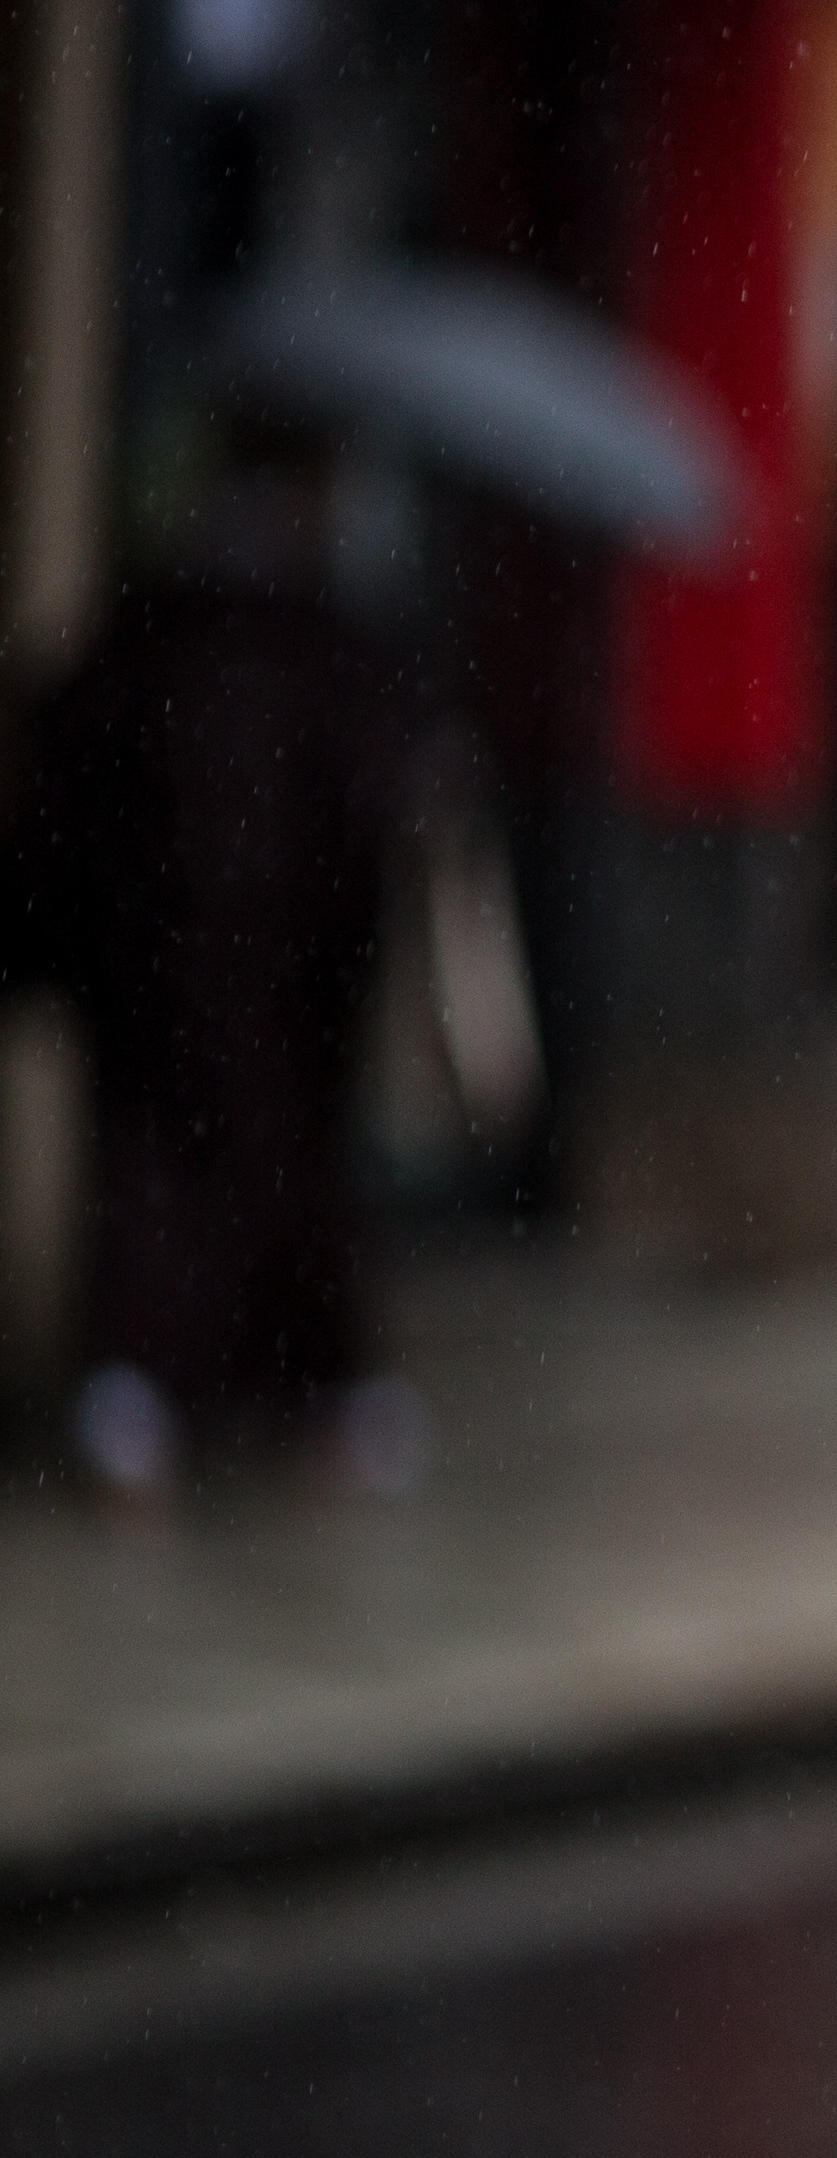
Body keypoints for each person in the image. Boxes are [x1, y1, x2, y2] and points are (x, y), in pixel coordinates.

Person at [0, 404, 431, 1499]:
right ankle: (244, 1395)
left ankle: (154, 1396)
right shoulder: (305, 645)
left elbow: (59, 779)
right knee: (262, 1176)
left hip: (174, 966)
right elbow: (366, 803)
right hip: (258, 971)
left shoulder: (157, 633)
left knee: (171, 1180)